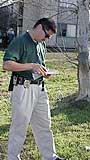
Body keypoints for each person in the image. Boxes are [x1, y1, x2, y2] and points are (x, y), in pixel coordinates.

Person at [2, 18, 65, 160]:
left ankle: (50, 157)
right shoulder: (21, 41)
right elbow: (6, 65)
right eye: (47, 35)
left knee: (44, 125)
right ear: (39, 27)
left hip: (40, 89)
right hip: (23, 88)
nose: (47, 39)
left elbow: (38, 66)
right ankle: (13, 158)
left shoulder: (41, 44)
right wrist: (31, 66)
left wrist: (44, 72)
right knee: (19, 127)